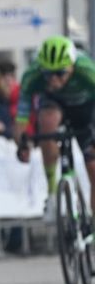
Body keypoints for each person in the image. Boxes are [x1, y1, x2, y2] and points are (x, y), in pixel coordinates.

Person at [14, 36, 95, 215]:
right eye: (48, 74)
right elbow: (21, 116)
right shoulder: (32, 75)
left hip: (86, 109)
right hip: (54, 103)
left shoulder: (87, 70)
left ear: (72, 66)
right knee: (47, 121)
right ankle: (51, 195)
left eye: (60, 73)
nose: (54, 80)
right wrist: (21, 143)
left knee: (93, 166)